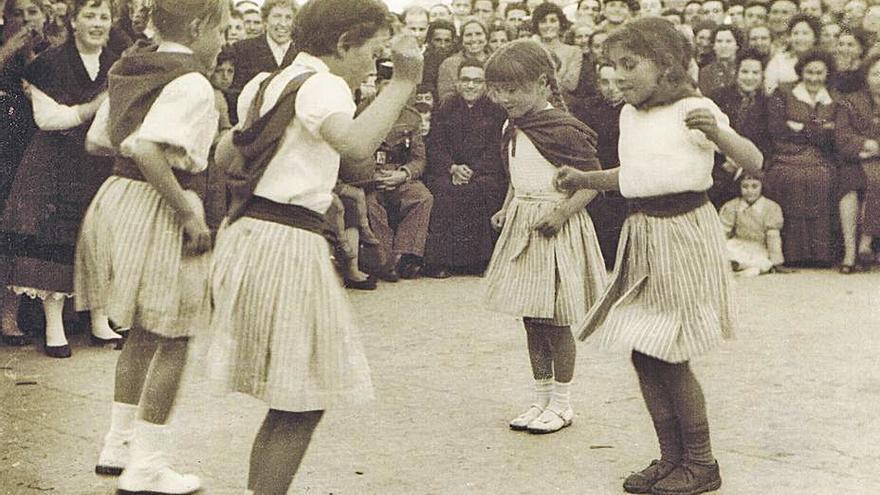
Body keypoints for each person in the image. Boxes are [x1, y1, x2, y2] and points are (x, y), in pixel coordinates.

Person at [209, 0, 423, 493]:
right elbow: (354, 148)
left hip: (252, 235)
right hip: (286, 241)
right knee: (302, 397)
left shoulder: (267, 81)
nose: (374, 64)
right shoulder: (324, 84)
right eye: (371, 51)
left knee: (297, 396)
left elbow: (227, 155)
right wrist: (404, 83)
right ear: (344, 43)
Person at [555, 18, 763, 495]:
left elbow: (753, 161)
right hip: (643, 234)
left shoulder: (696, 109)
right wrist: (583, 179)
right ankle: (672, 458)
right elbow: (634, 175)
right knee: (643, 351)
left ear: (666, 65)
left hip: (684, 235)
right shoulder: (630, 116)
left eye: (629, 64)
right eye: (610, 66)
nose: (617, 75)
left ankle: (701, 461)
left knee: (668, 352)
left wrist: (719, 132)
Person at [77, 0, 227, 492]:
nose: (223, 41)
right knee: (176, 333)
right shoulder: (192, 81)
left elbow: (100, 141)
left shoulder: (132, 66)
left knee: (143, 329)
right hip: (160, 202)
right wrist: (186, 208)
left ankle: (118, 444)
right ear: (201, 26)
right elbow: (146, 147)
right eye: (222, 30)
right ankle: (148, 466)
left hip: (119, 197)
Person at [483, 39, 607, 435]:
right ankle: (540, 397)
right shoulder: (512, 124)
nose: (503, 98)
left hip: (556, 227)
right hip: (524, 222)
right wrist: (507, 205)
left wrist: (560, 213)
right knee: (531, 318)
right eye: (497, 89)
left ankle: (563, 404)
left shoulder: (565, 130)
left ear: (542, 83)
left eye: (512, 89)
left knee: (555, 321)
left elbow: (591, 184)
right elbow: (515, 174)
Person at [0, 0, 122, 358]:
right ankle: (54, 327)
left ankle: (100, 319)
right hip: (56, 160)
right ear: (73, 21)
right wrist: (95, 105)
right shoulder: (49, 65)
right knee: (55, 237)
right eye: (89, 15)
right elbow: (48, 119)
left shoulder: (117, 65)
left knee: (100, 237)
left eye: (104, 17)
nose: (97, 23)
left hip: (99, 160)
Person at [423, 59, 507, 277]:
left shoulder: (497, 112)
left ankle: (479, 260)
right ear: (458, 83)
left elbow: (496, 149)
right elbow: (435, 145)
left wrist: (471, 171)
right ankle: (442, 261)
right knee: (442, 191)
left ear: (485, 85)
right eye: (466, 80)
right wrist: (452, 167)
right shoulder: (445, 108)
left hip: (484, 172)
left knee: (481, 190)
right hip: (449, 171)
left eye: (477, 81)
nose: (471, 86)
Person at [0, 0, 51, 347]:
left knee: (17, 232)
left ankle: (11, 314)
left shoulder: (48, 52)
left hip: (28, 148)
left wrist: (33, 61)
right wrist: (8, 51)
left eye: (33, 11)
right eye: (19, 12)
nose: (26, 20)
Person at [765, 49, 839, 266]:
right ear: (801, 71)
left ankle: (820, 255)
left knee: (821, 178)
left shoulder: (834, 97)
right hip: (786, 155)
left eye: (819, 73)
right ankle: (792, 254)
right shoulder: (783, 93)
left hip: (822, 158)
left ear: (827, 74)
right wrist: (819, 129)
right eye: (809, 72)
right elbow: (777, 129)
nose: (814, 78)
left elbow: (834, 137)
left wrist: (801, 128)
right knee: (790, 177)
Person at [362, 64, 434, 281]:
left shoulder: (411, 117)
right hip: (369, 176)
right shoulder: (360, 112)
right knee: (370, 203)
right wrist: (371, 175)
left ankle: (401, 256)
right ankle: (383, 260)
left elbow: (419, 158)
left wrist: (403, 174)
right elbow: (352, 155)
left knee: (422, 197)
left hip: (399, 176)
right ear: (377, 85)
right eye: (388, 86)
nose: (394, 93)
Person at [571, 61, 628, 268]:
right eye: (605, 82)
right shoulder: (586, 109)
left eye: (617, 82)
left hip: (625, 178)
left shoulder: (633, 109)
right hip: (595, 175)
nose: (611, 88)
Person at [708, 48, 772, 208]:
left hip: (753, 168)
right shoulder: (718, 97)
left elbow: (769, 141)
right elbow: (709, 133)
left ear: (762, 75)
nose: (749, 77)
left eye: (755, 72)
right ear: (736, 73)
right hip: (721, 164)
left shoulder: (769, 103)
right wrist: (724, 160)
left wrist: (750, 163)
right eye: (745, 72)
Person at [833, 52, 880, 270]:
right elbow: (842, 136)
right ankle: (850, 252)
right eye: (875, 73)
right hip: (854, 159)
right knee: (850, 183)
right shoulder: (851, 102)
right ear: (866, 76)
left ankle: (867, 242)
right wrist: (866, 146)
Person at [719, 173, 787, 275]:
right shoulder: (732, 206)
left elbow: (773, 236)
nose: (749, 191)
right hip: (739, 244)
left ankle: (744, 267)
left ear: (762, 187)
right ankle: (734, 265)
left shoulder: (771, 207)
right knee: (727, 251)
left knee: (762, 261)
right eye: (745, 187)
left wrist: (776, 261)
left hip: (758, 246)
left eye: (754, 186)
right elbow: (723, 232)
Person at [228, 0, 297, 94]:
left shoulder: (301, 53)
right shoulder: (242, 49)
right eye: (277, 16)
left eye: (288, 17)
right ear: (265, 20)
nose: (283, 23)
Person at [764, 13, 820, 95]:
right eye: (795, 33)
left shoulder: (823, 61)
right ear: (789, 37)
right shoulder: (779, 61)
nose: (800, 38)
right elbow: (769, 90)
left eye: (805, 33)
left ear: (815, 37)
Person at [437, 18, 489, 102]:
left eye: (478, 34)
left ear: (486, 38)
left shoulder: (495, 62)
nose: (473, 39)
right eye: (468, 35)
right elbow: (445, 98)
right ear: (462, 40)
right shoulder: (448, 64)